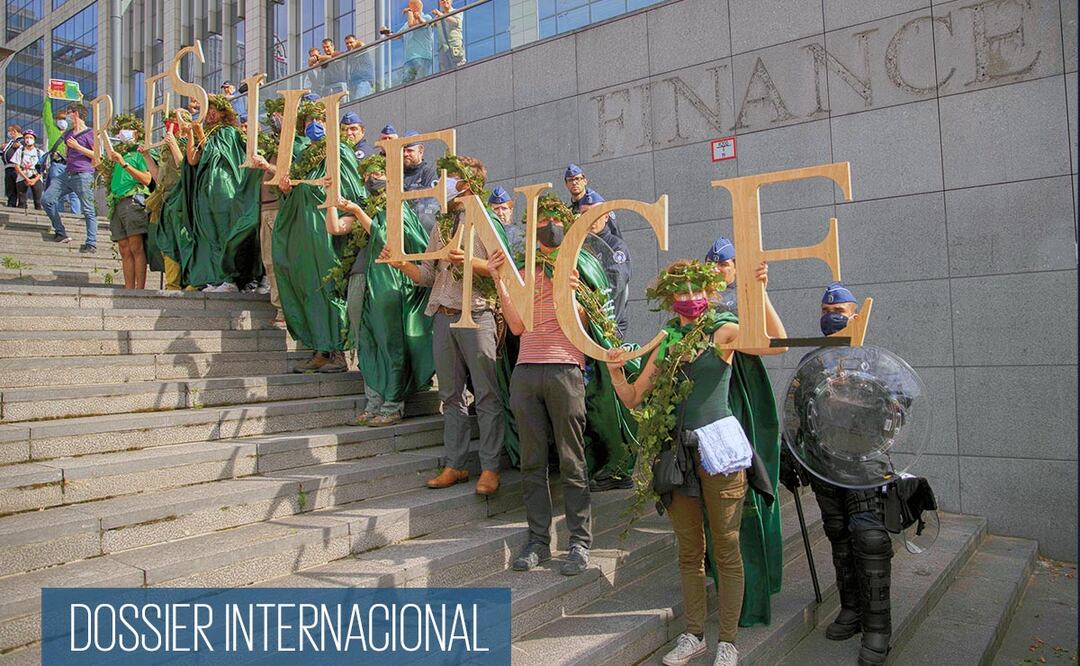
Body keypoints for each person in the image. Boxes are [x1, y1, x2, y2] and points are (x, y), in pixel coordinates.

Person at [605, 259, 787, 666]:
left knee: (726, 547)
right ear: (671, 300)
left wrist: (759, 291)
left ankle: (728, 640)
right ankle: (693, 635)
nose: (690, 299)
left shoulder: (722, 330)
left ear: (708, 291)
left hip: (719, 451)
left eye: (695, 290)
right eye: (681, 293)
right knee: (690, 551)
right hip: (677, 456)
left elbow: (777, 343)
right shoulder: (667, 340)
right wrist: (615, 373)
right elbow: (635, 397)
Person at [381, 154, 505, 496]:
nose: (443, 185)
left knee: (486, 395)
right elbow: (429, 276)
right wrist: (401, 263)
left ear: (467, 184)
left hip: (477, 315)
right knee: (450, 396)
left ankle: (491, 467)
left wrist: (470, 261)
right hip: (443, 316)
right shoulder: (443, 224)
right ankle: (456, 463)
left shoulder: (488, 222)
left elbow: (503, 273)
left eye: (450, 179)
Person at [486, 212, 593, 577]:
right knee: (532, 463)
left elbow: (587, 323)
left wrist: (574, 292)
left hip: (565, 369)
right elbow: (516, 325)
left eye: (553, 221)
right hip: (527, 371)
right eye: (541, 221)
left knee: (572, 460)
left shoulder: (579, 269)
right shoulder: (525, 274)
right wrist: (500, 279)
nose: (548, 228)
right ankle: (537, 541)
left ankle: (579, 542)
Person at [801, 282, 893, 666]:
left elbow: (893, 409)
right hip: (825, 465)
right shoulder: (814, 361)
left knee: (868, 538)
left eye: (838, 310)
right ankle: (851, 609)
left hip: (864, 465)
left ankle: (878, 628)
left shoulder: (873, 361)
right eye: (825, 309)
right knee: (838, 536)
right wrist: (793, 454)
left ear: (857, 315)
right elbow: (800, 409)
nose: (831, 316)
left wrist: (854, 393)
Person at [331, 153, 435, 427]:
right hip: (361, 279)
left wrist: (357, 212)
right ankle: (374, 401)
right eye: (367, 175)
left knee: (390, 343)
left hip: (389, 282)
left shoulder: (397, 208)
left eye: (378, 173)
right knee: (367, 342)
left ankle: (392, 403)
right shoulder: (368, 207)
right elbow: (336, 227)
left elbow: (388, 239)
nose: (372, 179)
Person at [272, 99, 358, 374]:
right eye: (308, 122)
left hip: (325, 232)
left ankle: (339, 353)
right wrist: (285, 189)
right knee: (309, 290)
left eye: (318, 121)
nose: (313, 127)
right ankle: (320, 348)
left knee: (328, 289)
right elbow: (294, 194)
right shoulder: (303, 157)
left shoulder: (340, 151)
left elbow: (354, 193)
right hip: (302, 233)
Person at [176, 94, 263, 292]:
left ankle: (231, 278)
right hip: (206, 192)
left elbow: (214, 154)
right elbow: (192, 160)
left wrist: (199, 134)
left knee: (225, 232)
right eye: (207, 109)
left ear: (224, 112)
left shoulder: (228, 133)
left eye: (213, 108)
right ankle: (215, 277)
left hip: (224, 189)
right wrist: (191, 133)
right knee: (210, 234)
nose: (209, 113)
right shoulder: (208, 131)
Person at [101, 115, 153, 289]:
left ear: (137, 133)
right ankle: (129, 287)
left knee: (135, 245)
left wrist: (124, 164)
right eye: (121, 129)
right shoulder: (119, 154)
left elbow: (147, 179)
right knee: (123, 247)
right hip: (117, 202)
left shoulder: (139, 153)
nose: (123, 132)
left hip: (133, 200)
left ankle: (140, 289)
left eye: (127, 128)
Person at [142, 109, 189, 291]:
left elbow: (186, 167)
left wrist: (174, 145)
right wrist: (146, 156)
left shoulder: (187, 142)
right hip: (165, 199)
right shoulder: (165, 147)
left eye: (174, 123)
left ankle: (190, 282)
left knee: (183, 240)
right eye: (168, 123)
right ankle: (172, 284)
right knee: (167, 242)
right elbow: (158, 177)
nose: (170, 127)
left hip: (182, 199)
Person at [42, 103, 99, 252]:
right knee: (47, 199)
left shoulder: (90, 133)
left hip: (83, 175)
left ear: (76, 114)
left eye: (69, 113)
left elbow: (98, 156)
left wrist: (78, 147)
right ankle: (60, 232)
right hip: (66, 173)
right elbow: (67, 153)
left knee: (88, 210)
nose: (67, 116)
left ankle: (91, 243)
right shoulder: (67, 133)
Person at [575, 189, 631, 338]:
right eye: (585, 214)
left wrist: (586, 297)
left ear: (606, 216)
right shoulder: (576, 245)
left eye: (596, 213)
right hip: (581, 324)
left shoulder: (616, 246)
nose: (591, 218)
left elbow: (614, 283)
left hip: (608, 325)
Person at [563, 163, 622, 238]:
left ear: (585, 181)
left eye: (577, 178)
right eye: (570, 180)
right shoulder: (568, 213)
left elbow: (616, 235)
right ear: (566, 184)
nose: (574, 183)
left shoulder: (599, 206)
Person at [43, 105, 82, 215]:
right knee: (57, 190)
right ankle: (59, 213)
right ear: (56, 120)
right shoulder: (52, 130)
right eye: (60, 119)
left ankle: (76, 215)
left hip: (72, 165)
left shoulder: (72, 131)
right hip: (57, 164)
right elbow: (46, 115)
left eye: (64, 119)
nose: (62, 121)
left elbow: (79, 115)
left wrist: (79, 100)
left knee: (74, 192)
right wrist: (48, 98)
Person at [400, 131, 440, 233]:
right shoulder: (396, 174)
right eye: (403, 151)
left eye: (410, 150)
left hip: (419, 231)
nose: (405, 154)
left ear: (420, 151)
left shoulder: (428, 175)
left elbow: (430, 206)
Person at [399, 0, 434, 83]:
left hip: (422, 57)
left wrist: (410, 13)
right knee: (405, 85)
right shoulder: (406, 25)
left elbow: (414, 24)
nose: (408, 7)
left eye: (411, 5)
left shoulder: (426, 17)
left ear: (416, 7)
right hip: (409, 59)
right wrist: (387, 33)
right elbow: (397, 36)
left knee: (421, 82)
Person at [10, 129, 45, 211]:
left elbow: (43, 168)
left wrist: (35, 180)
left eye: (30, 137)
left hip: (36, 177)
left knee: (38, 201)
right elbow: (17, 166)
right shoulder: (20, 151)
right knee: (21, 202)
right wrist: (27, 178)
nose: (28, 139)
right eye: (26, 137)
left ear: (34, 139)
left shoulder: (40, 152)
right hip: (23, 176)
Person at [488, 186, 524, 257]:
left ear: (511, 211)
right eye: (496, 209)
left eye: (504, 208)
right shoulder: (483, 232)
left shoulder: (518, 234)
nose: (500, 213)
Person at [705, 236, 738, 314]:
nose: (715, 269)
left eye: (723, 264)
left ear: (736, 267)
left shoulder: (745, 294)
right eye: (710, 264)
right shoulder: (696, 294)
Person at [431, 0, 465, 71]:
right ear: (440, 3)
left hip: (454, 46)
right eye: (442, 0)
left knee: (460, 70)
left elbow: (456, 23)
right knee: (444, 73)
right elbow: (428, 25)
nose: (445, 1)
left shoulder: (457, 11)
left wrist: (440, 15)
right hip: (443, 48)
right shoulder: (438, 16)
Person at [343, 34, 376, 100]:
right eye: (347, 43)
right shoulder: (347, 53)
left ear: (355, 41)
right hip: (353, 83)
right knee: (353, 104)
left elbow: (361, 44)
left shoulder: (360, 48)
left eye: (351, 42)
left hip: (364, 80)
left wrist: (353, 48)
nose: (349, 45)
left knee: (358, 102)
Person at [4, 125, 23, 207]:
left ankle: (22, 203)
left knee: (18, 186)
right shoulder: (10, 142)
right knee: (10, 186)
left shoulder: (22, 140)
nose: (9, 133)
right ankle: (11, 203)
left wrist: (20, 145)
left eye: (10, 131)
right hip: (8, 167)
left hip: (17, 167)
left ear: (14, 131)